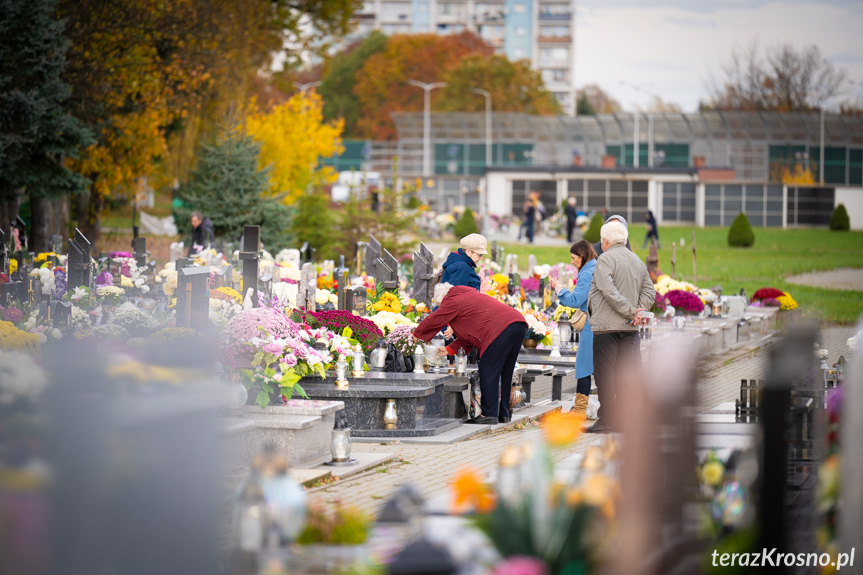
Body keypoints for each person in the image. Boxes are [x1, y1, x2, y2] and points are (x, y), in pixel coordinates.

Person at [413, 283, 528, 424]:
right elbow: (469, 335)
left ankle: (489, 414)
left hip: (502, 328)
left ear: (442, 299)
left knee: (487, 368)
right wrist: (448, 350)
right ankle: (504, 413)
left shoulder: (452, 299)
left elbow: (435, 318)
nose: (441, 307)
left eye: (440, 304)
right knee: (506, 370)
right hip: (518, 323)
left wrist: (417, 333)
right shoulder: (465, 297)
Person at [586, 220, 655, 433]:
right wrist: (639, 312)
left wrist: (631, 311)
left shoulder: (605, 259)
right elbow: (650, 291)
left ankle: (608, 420)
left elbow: (609, 291)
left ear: (605, 241)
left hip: (607, 327)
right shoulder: (636, 260)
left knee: (605, 374)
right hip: (630, 328)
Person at [549, 240, 597, 414]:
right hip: (600, 321)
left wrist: (559, 289)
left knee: (583, 367)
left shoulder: (587, 273)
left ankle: (579, 410)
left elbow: (575, 300)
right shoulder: (596, 266)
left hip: (591, 324)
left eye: (573, 258)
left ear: (582, 256)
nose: (572, 261)